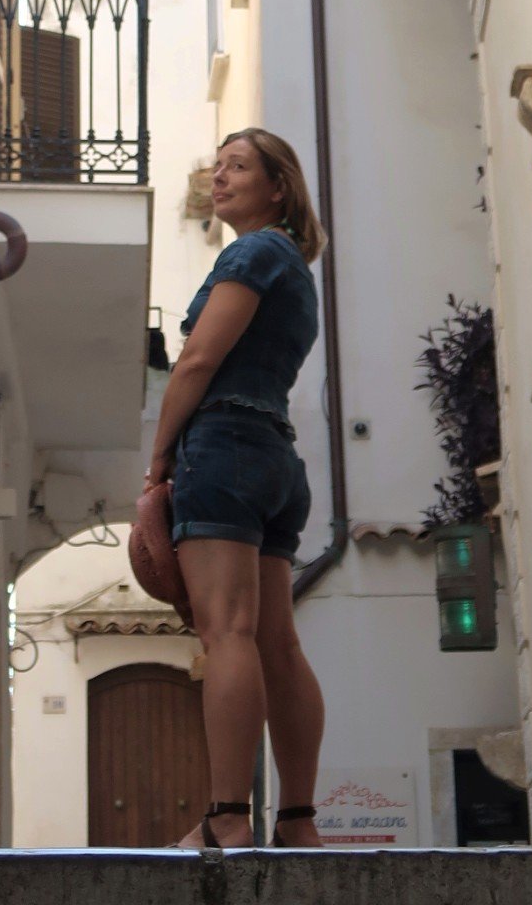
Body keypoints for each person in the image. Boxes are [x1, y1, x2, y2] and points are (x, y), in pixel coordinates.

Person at [143, 127, 327, 853]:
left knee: (227, 633)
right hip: (276, 456)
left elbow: (196, 361)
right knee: (277, 643)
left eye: (239, 167)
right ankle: (299, 821)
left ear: (278, 188)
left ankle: (226, 817)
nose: (219, 177)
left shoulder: (251, 254)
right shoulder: (297, 271)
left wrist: (159, 461)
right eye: (217, 166)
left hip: (223, 448)